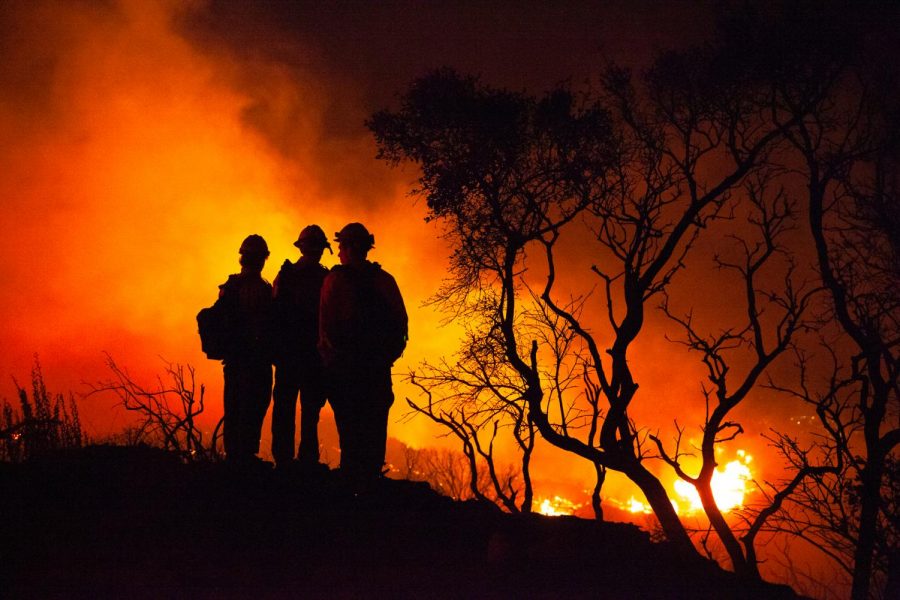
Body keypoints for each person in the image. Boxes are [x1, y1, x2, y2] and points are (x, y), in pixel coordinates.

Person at [318, 222, 408, 483]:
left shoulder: (334, 281)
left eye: (340, 247)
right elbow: (402, 326)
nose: (338, 253)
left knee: (349, 426)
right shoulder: (384, 280)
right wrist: (384, 359)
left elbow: (325, 327)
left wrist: (332, 364)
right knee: (375, 424)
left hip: (345, 369)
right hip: (377, 370)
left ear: (347, 248)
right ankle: (370, 479)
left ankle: (351, 481)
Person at [270, 225, 331, 471]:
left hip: (290, 355)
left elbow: (273, 314)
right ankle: (306, 460)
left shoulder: (285, 276)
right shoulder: (328, 279)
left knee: (287, 407)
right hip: (311, 356)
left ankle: (284, 460)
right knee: (309, 410)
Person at [218, 234, 274, 467]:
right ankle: (243, 457)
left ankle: (238, 457)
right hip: (251, 360)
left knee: (240, 406)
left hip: (241, 360)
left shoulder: (230, 287)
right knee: (250, 406)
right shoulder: (261, 289)